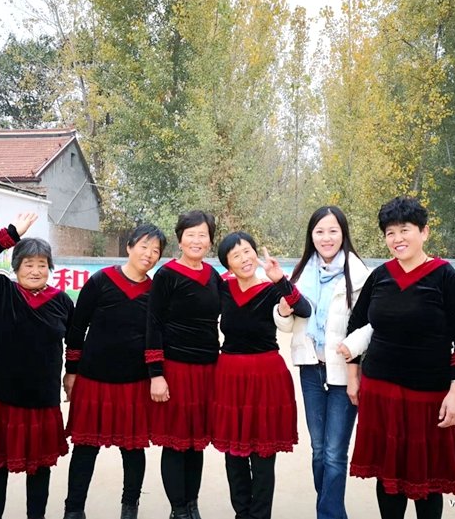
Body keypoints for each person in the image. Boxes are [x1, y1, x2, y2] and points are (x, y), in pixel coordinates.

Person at [347, 196, 455, 519]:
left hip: (428, 396)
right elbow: (356, 326)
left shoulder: (445, 277)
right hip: (380, 392)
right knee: (387, 476)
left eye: (405, 230)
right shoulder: (380, 276)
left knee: (426, 480)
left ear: (424, 232)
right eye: (390, 233)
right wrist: (353, 377)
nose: (397, 239)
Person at [0, 213, 74, 519]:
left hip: (42, 399)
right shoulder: (1, 291)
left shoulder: (62, 302)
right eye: (28, 264)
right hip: (1, 396)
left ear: (50, 268)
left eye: (42, 264)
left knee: (39, 468)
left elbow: (76, 342)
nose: (36, 270)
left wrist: (72, 373)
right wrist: (12, 233)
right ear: (16, 268)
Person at [62, 224, 167, 519]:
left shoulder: (155, 292)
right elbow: (77, 328)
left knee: (133, 451)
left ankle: (129, 508)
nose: (149, 254)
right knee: (85, 448)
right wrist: (71, 370)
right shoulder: (101, 280)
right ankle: (73, 510)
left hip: (134, 383)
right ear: (129, 247)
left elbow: (158, 337)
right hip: (93, 379)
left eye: (156, 251)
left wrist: (156, 374)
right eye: (144, 246)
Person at [273, 206, 370, 519]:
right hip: (310, 368)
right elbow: (289, 323)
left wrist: (352, 346)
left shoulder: (359, 274)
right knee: (318, 451)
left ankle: (329, 515)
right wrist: (282, 312)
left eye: (333, 231)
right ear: (311, 236)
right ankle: (330, 511)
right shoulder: (301, 273)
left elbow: (370, 323)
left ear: (343, 234)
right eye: (319, 232)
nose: (326, 238)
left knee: (334, 452)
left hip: (344, 370)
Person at [213, 232, 311, 519]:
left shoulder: (272, 289)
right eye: (236, 255)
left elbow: (303, 309)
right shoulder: (222, 288)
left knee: (263, 454)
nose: (244, 258)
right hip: (230, 375)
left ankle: (259, 515)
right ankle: (242, 512)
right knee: (233, 453)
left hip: (266, 376)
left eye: (248, 251)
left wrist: (280, 280)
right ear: (228, 265)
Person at [146, 210, 222, 519]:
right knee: (176, 443)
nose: (196, 240)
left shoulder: (214, 276)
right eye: (190, 234)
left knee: (196, 443)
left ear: (210, 241)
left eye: (203, 235)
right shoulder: (166, 275)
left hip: (207, 371)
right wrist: (156, 374)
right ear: (180, 239)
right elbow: (153, 324)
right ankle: (178, 509)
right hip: (175, 370)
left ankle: (192, 504)